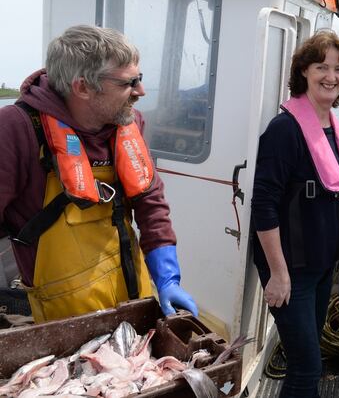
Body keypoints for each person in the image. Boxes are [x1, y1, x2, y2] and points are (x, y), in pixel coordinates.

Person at [0, 25, 197, 323]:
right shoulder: (17, 128)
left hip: (133, 304)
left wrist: (168, 278)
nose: (140, 92)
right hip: (62, 323)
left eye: (140, 79)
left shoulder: (129, 123)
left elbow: (150, 201)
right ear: (82, 87)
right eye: (128, 83)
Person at [251, 31, 339, 397]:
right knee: (306, 368)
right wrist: (278, 275)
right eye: (321, 67)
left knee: (310, 355)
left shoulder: (331, 125)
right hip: (291, 269)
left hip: (319, 263)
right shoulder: (284, 130)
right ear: (303, 72)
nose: (331, 76)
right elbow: (263, 204)